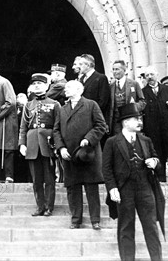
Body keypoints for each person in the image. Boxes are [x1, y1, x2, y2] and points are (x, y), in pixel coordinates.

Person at [103, 103, 164, 261]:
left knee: (151, 227)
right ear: (125, 122)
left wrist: (155, 162)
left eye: (140, 119)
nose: (140, 122)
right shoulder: (112, 142)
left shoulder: (146, 140)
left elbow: (159, 164)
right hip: (125, 190)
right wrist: (112, 188)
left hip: (145, 188)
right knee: (126, 228)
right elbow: (107, 169)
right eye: (135, 119)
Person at [53, 80, 106, 229]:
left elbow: (101, 125)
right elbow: (56, 131)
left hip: (87, 153)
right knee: (73, 188)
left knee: (91, 187)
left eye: (69, 87)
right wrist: (61, 148)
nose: (66, 90)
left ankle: (95, 220)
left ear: (79, 90)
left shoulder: (91, 105)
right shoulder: (62, 109)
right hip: (69, 154)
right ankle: (76, 220)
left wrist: (88, 139)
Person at [19, 73, 60, 216]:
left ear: (47, 86)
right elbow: (23, 127)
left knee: (49, 178)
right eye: (34, 84)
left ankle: (49, 206)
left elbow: (57, 127)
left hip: (47, 144)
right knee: (36, 179)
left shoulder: (54, 104)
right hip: (32, 144)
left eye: (40, 84)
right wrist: (22, 144)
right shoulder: (28, 105)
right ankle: (40, 206)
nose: (37, 86)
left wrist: (57, 146)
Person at [142, 67, 168, 182]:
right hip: (153, 130)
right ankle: (160, 178)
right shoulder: (143, 92)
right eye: (147, 75)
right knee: (158, 154)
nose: (149, 77)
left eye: (151, 74)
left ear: (157, 74)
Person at [107, 60, 146, 136]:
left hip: (130, 119)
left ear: (124, 70)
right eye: (113, 69)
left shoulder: (134, 84)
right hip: (116, 121)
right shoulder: (111, 86)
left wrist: (134, 106)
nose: (115, 72)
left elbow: (143, 101)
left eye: (117, 69)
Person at [78, 54, 110, 120]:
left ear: (88, 65)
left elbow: (103, 101)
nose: (79, 67)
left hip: (94, 118)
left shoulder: (101, 78)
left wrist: (93, 114)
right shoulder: (81, 79)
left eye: (81, 64)